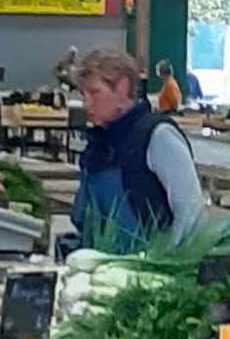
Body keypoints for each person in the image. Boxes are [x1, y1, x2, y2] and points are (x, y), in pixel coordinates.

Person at [70, 46, 204, 244]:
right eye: (83, 95)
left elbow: (192, 214)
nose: (86, 104)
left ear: (122, 87)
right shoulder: (98, 146)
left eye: (94, 92)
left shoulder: (158, 136)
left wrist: (166, 258)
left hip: (147, 261)